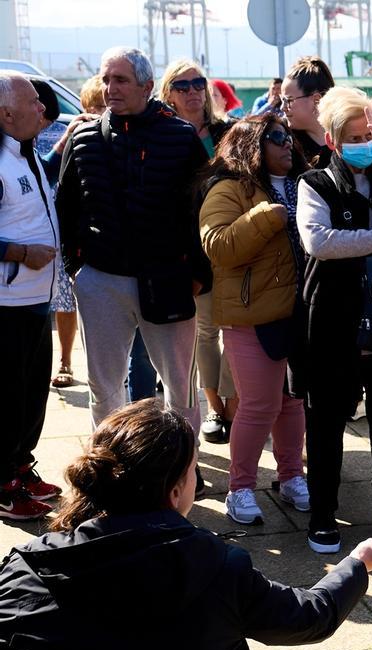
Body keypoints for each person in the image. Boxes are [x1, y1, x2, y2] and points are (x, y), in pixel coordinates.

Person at [0, 399, 372, 650]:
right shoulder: (216, 567)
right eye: (194, 470)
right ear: (175, 489)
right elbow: (307, 617)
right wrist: (358, 562)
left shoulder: (27, 569)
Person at [56, 47, 210, 439]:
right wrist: (79, 270)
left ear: (146, 86)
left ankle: (182, 469)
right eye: (105, 79)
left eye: (120, 80)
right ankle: (108, 465)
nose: (110, 88)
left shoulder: (181, 137)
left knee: (181, 389)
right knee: (104, 388)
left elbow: (200, 211)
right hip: (101, 280)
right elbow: (66, 205)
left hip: (169, 279)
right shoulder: (85, 137)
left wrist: (198, 273)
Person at [295, 87, 372, 553]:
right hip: (331, 323)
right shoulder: (316, 183)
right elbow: (319, 241)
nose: (364, 143)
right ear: (332, 140)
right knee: (325, 426)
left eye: (369, 134)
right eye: (355, 137)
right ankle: (323, 515)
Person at [198, 113, 312, 526]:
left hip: (301, 314)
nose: (287, 144)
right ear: (252, 145)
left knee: (292, 402)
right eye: (276, 138)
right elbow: (219, 247)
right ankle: (240, 488)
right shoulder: (228, 188)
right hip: (252, 317)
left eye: (288, 138)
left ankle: (291, 476)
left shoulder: (306, 184)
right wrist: (267, 216)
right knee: (259, 406)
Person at [158, 59, 238, 445]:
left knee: (235, 331)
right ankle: (214, 410)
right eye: (182, 84)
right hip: (191, 251)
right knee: (205, 333)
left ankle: (233, 405)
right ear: (167, 93)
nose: (192, 91)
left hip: (230, 242)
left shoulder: (226, 132)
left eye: (198, 83)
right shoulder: (164, 134)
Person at [0, 71, 63, 520]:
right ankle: (4, 487)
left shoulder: (27, 154)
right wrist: (21, 252)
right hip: (7, 305)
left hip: (37, 299)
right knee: (7, 398)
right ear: (6, 114)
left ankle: (20, 468)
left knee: (32, 393)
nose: (44, 108)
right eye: (34, 103)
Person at [27, 78, 76, 390]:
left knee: (63, 300)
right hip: (29, 244)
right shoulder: (14, 142)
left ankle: (64, 361)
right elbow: (41, 171)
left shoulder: (46, 134)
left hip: (54, 235)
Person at [283, 56, 336, 169]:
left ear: (316, 100)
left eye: (289, 100)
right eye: (283, 100)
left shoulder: (347, 137)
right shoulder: (284, 143)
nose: (283, 107)